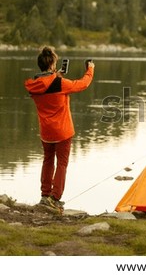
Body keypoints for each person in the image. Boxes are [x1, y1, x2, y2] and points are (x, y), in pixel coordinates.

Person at [24, 46, 95, 211]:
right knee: (61, 163)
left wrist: (56, 76)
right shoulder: (60, 83)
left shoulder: (35, 84)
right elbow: (82, 84)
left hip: (46, 132)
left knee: (47, 161)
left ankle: (44, 196)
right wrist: (90, 69)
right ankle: (55, 198)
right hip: (63, 131)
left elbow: (47, 85)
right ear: (51, 65)